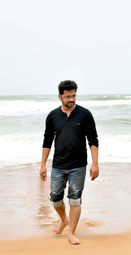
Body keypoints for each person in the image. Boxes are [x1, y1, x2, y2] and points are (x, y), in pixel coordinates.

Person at [40, 80, 99, 245]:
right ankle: (64, 220)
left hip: (78, 165)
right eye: (67, 97)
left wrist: (95, 163)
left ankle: (71, 232)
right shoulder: (52, 116)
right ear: (60, 96)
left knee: (75, 198)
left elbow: (93, 140)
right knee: (55, 198)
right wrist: (43, 164)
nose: (71, 99)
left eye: (73, 95)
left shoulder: (85, 114)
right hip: (58, 165)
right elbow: (47, 142)